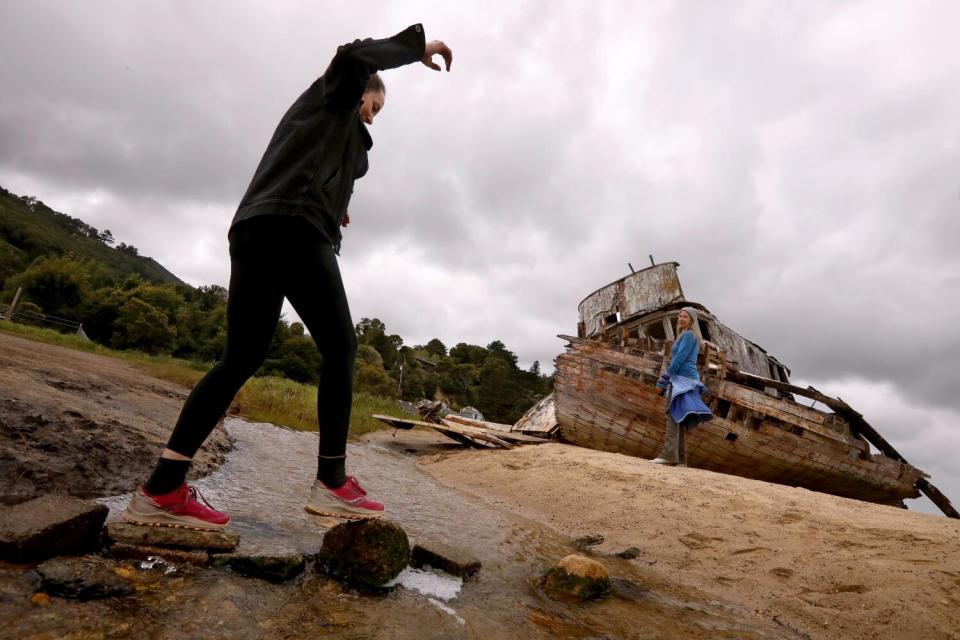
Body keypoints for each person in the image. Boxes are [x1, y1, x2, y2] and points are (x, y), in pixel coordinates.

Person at [122, 24, 453, 530]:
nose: (372, 116)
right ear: (362, 89)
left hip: (256, 229)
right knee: (341, 348)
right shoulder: (337, 95)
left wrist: (336, 206)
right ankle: (332, 483)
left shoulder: (332, 134)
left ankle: (162, 488)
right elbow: (353, 55)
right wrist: (416, 48)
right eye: (374, 106)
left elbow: (319, 165)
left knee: (240, 359)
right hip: (292, 229)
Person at [651, 307, 713, 466]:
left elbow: (678, 360)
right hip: (686, 379)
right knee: (679, 416)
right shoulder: (687, 336)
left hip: (682, 380)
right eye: (680, 316)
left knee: (672, 414)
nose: (681, 318)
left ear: (692, 320)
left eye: (685, 316)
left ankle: (669, 455)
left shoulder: (688, 335)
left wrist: (663, 381)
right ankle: (681, 459)